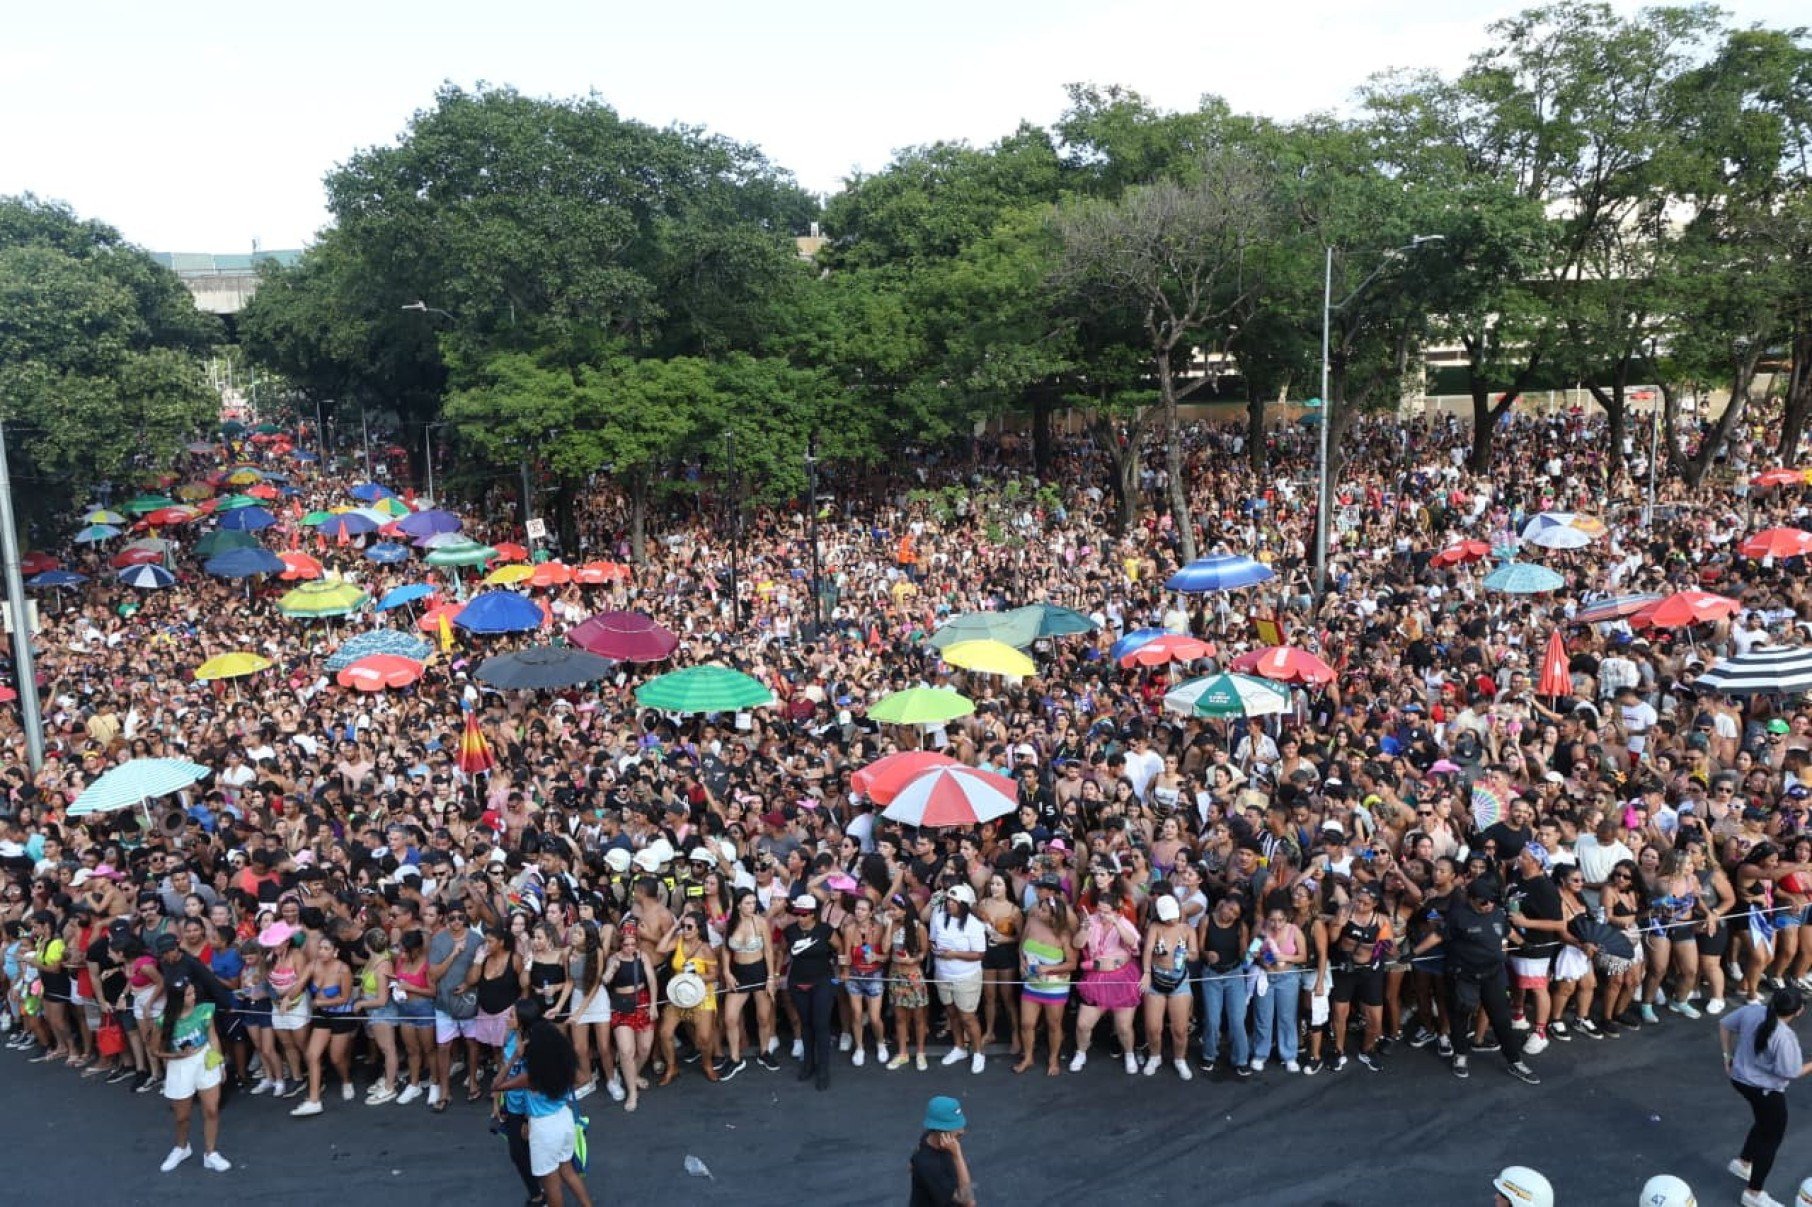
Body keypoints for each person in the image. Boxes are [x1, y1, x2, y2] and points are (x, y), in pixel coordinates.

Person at [1422, 877, 1539, 1085]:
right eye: (1483, 901)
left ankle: (1515, 1061)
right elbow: (1437, 937)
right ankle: (1460, 1055)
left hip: (1493, 975)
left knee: (1502, 1020)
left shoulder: (1497, 913)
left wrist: (1523, 943)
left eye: (1492, 901)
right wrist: (1413, 953)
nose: (1489, 905)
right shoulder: (1457, 916)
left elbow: (1507, 931)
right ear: (1471, 899)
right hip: (1464, 976)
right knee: (1460, 1016)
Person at [1719, 986, 1811, 1207]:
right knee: (1771, 1137)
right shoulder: (1785, 1037)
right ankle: (1753, 1192)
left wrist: (1726, 1056)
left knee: (1764, 1122)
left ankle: (1743, 1162)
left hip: (1740, 1079)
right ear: (1799, 1011)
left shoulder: (1752, 1012)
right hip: (1764, 1090)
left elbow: (1724, 1024)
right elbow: (1791, 1072)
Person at [154, 973, 230, 1173]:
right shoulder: (163, 1022)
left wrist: (219, 1064)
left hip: (206, 1060)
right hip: (180, 1067)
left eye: (193, 993)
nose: (193, 997)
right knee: (182, 1117)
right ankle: (181, 1147)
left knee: (212, 1110)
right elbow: (155, 1050)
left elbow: (213, 1038)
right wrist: (177, 1055)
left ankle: (210, 1153)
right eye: (189, 995)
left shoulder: (205, 1011)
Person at [932, 883, 988, 1074]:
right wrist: (937, 951)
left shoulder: (974, 924)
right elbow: (933, 940)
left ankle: (978, 1052)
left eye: (954, 901)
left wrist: (954, 954)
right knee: (952, 1013)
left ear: (963, 904)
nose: (949, 904)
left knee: (968, 1017)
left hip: (966, 977)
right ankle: (959, 1048)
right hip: (943, 974)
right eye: (948, 900)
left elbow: (979, 953)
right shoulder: (938, 918)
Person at [782, 893, 836, 1090]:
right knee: (805, 1024)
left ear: (813, 914)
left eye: (805, 915)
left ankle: (823, 1069)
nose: (800, 918)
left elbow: (840, 949)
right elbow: (781, 951)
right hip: (797, 982)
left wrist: (843, 971)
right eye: (798, 914)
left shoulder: (826, 930)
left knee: (821, 1025)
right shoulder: (790, 931)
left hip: (822, 981)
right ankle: (808, 1064)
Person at [909, 1095, 976, 1207]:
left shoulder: (928, 1137)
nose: (962, 1131)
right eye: (956, 1127)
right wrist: (957, 1156)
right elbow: (968, 1202)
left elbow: (911, 1164)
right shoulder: (929, 1165)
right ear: (941, 1133)